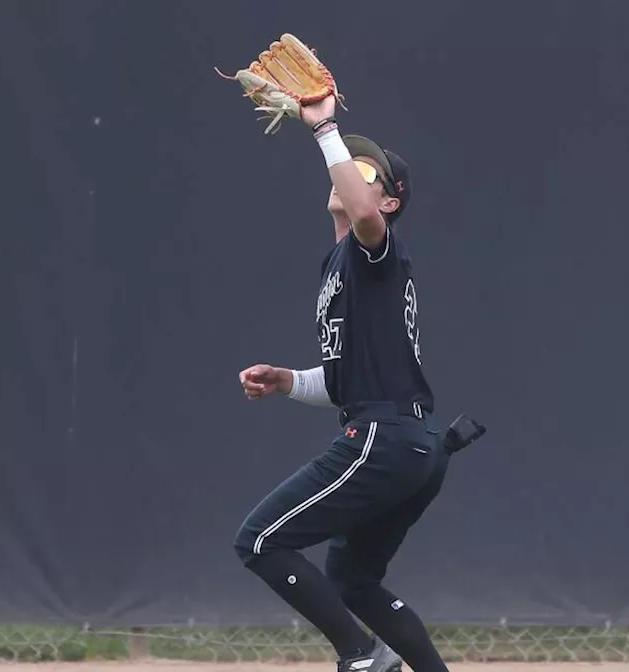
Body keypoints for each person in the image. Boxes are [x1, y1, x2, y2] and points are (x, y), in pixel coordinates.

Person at [232, 93, 452, 672]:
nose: (347, 173)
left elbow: (364, 218)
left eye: (364, 171)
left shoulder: (372, 248)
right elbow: (344, 383)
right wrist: (287, 381)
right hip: (410, 441)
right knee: (352, 580)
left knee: (259, 540)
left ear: (389, 199)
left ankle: (361, 656)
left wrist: (326, 127)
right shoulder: (341, 266)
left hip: (386, 436)